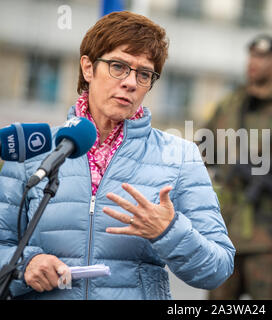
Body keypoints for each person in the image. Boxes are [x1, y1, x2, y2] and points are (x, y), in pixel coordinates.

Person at [0, 11, 234, 300]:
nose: (131, 82)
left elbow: (218, 267)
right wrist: (27, 265)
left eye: (144, 74)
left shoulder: (180, 156)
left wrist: (168, 231)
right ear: (88, 68)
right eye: (119, 66)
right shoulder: (34, 149)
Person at [203, 35, 272, 300]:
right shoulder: (231, 104)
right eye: (252, 55)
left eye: (263, 57)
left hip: (268, 235)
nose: (255, 62)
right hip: (225, 229)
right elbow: (202, 153)